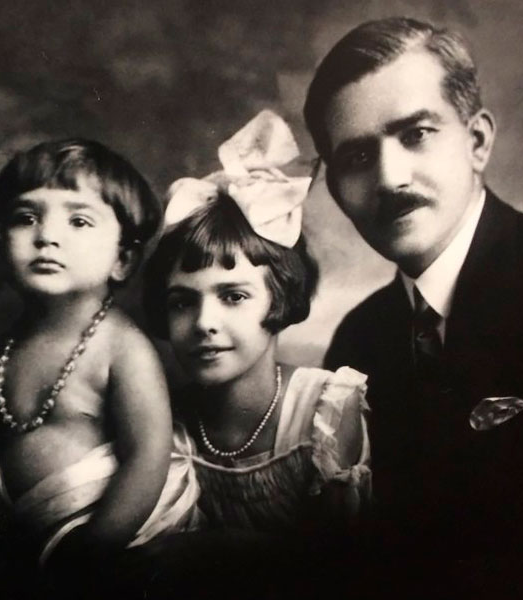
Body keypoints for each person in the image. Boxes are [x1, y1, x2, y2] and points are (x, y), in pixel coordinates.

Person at [306, 16, 523, 593]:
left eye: (416, 134)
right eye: (357, 157)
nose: (391, 177)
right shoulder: (358, 338)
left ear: (477, 141)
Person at [0, 139, 200, 593]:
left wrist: (93, 549)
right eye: (25, 218)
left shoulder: (120, 346)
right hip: (34, 543)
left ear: (122, 259)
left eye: (79, 220)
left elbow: (148, 455)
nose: (47, 235)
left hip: (116, 545)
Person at [141, 111, 370, 586]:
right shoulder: (164, 424)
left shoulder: (324, 412)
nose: (204, 323)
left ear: (281, 296)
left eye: (234, 296)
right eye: (182, 302)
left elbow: (346, 570)